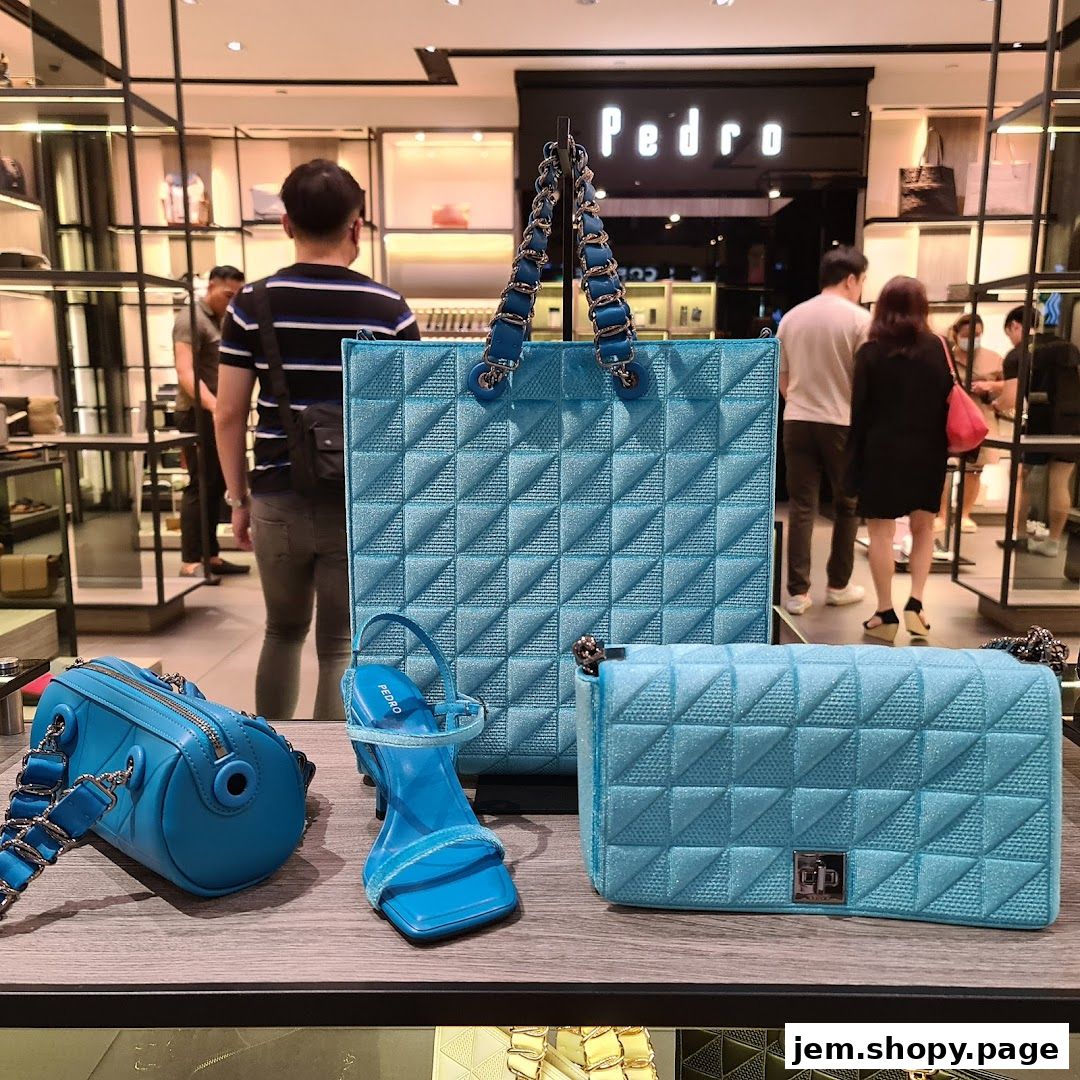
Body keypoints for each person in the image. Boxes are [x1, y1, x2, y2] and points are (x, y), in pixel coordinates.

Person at [215, 160, 420, 721]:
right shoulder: (388, 311)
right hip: (355, 501)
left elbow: (229, 413)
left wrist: (237, 499)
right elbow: (409, 420)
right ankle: (332, 773)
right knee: (339, 644)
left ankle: (271, 760)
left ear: (285, 224)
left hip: (276, 494)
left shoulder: (250, 305)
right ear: (357, 225)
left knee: (281, 630)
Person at [848, 276, 952, 643]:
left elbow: (858, 414)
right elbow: (947, 399)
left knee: (881, 532)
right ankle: (917, 606)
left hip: (882, 451)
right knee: (924, 528)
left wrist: (852, 467)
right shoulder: (938, 347)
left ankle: (884, 610)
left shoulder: (870, 353)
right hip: (928, 449)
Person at [777, 245, 871, 616]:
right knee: (847, 506)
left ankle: (797, 594)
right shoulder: (859, 320)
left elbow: (782, 377)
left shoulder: (792, 318)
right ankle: (838, 585)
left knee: (802, 507)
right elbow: (864, 379)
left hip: (797, 420)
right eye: (862, 281)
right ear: (851, 279)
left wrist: (800, 400)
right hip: (842, 422)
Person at [974, 305, 1080, 558]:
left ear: (1015, 326)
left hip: (1039, 423)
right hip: (1071, 422)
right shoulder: (1067, 347)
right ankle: (1053, 542)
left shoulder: (1018, 354)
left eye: (1009, 333)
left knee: (1019, 475)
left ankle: (1020, 534)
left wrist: (991, 401)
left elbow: (1010, 399)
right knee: (1060, 481)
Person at [172, 264, 248, 584]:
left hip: (216, 412)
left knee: (216, 485)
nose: (232, 301)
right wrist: (214, 406)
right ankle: (191, 560)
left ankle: (210, 554)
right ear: (211, 286)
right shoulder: (191, 318)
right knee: (199, 484)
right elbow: (186, 371)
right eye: (228, 294)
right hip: (197, 412)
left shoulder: (221, 321)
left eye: (237, 295)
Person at [935, 313, 1002, 535]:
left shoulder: (993, 359)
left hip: (980, 418)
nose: (973, 339)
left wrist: (991, 388)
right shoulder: (944, 356)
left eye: (978, 335)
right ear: (956, 335)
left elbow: (1007, 389)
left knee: (975, 469)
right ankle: (941, 514)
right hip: (950, 417)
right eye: (967, 335)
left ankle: (964, 514)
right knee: (944, 469)